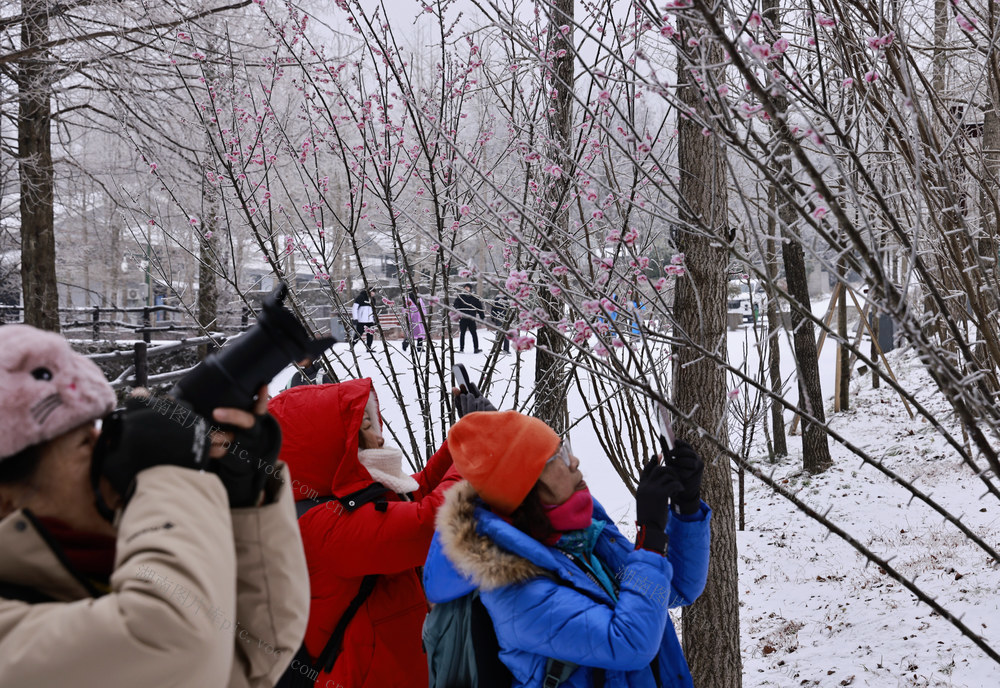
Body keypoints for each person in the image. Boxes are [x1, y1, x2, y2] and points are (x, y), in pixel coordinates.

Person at [0, 325, 309, 688]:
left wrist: (239, 500)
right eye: (84, 442)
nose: (107, 454)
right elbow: (178, 644)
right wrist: (168, 472)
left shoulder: (91, 564)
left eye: (100, 431)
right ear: (6, 499)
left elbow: (248, 660)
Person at [423, 409, 711, 687]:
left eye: (566, 448)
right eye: (558, 456)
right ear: (525, 484)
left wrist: (685, 507)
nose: (574, 461)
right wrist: (650, 539)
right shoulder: (514, 590)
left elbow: (674, 588)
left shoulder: (583, 532)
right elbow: (630, 643)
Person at [268, 378, 461, 688]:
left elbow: (417, 492)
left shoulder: (341, 501)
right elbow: (428, 525)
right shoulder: (324, 526)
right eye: (367, 425)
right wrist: (480, 448)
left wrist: (461, 437)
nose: (380, 437)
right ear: (330, 443)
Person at [454, 283, 485, 353]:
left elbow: (479, 307)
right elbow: (455, 306)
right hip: (463, 318)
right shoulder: (460, 297)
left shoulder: (474, 297)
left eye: (468, 288)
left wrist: (482, 316)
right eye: (465, 287)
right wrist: (456, 314)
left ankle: (476, 348)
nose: (466, 289)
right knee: (462, 334)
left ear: (470, 289)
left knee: (474, 334)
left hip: (472, 318)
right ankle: (461, 349)